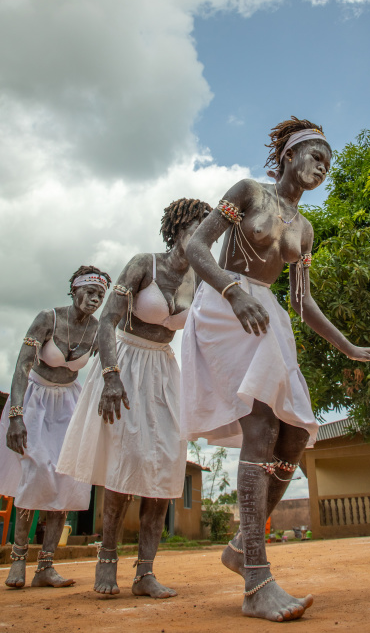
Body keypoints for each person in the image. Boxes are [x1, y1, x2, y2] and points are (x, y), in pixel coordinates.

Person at [181, 117, 370, 622]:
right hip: (225, 304)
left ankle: (241, 545)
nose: (323, 164)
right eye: (315, 154)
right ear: (288, 158)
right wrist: (233, 293)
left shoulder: (306, 229)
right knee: (261, 427)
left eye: (328, 159)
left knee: (296, 434)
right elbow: (197, 248)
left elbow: (300, 302)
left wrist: (349, 346)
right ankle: (257, 581)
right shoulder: (248, 194)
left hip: (269, 316)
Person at [57, 198, 211, 599]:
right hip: (124, 362)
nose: (204, 233)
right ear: (177, 228)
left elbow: (207, 332)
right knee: (125, 464)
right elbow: (107, 321)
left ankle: (145, 572)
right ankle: (106, 560)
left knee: (164, 467)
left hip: (164, 370)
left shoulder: (200, 278)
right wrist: (110, 377)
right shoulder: (144, 263)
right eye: (198, 224)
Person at [0, 266, 111, 588]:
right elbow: (22, 365)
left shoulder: (97, 330)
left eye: (100, 296)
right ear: (74, 291)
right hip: (34, 402)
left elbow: (108, 371)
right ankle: (18, 560)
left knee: (67, 479)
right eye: (90, 293)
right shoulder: (47, 318)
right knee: (34, 475)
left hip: (70, 406)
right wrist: (16, 416)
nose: (94, 300)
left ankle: (46, 566)